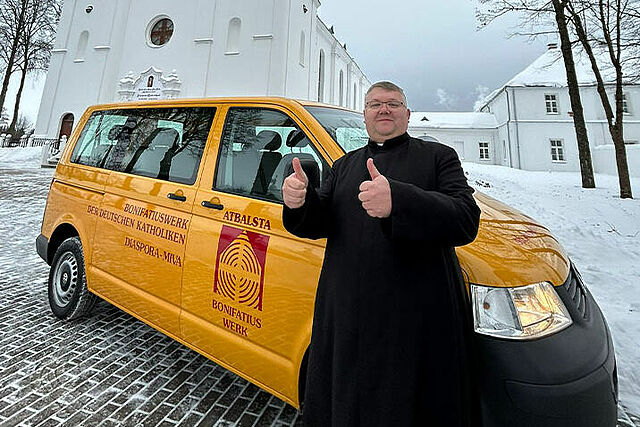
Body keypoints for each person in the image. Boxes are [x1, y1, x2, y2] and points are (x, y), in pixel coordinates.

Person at [282, 81, 481, 426]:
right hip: (348, 316)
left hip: (413, 321)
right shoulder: (344, 165)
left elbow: (466, 220)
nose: (384, 109)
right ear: (365, 115)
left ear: (407, 113)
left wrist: (399, 201)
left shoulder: (438, 158)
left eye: (393, 103)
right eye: (375, 104)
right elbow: (321, 221)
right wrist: (300, 203)